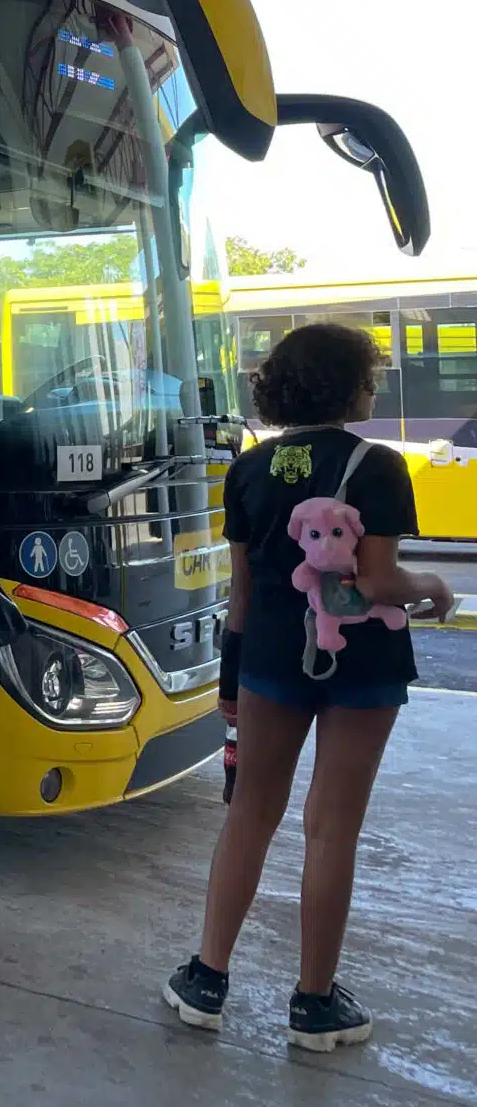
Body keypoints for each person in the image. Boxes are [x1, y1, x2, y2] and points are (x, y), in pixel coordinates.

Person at [164, 323, 454, 1051]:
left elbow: (239, 595)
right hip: (362, 665)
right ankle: (314, 1004)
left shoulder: (251, 468)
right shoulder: (379, 465)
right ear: (350, 385)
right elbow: (380, 580)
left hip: (266, 659)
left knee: (250, 814)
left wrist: (229, 686)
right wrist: (433, 587)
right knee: (331, 828)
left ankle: (205, 979)